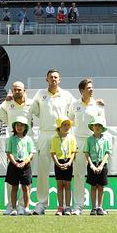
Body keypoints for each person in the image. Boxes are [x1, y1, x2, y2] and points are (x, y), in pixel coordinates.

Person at [28, 69, 73, 215]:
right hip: (45, 134)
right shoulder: (40, 94)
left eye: (56, 77)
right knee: (43, 171)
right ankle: (42, 204)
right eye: (51, 77)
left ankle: (66, 206)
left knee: (64, 172)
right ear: (46, 79)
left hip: (63, 137)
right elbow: (31, 110)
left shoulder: (67, 95)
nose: (53, 79)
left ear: (60, 79)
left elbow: (74, 113)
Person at [69, 78, 105, 215]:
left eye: (92, 87)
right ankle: (78, 206)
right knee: (78, 174)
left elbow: (103, 125)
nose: (91, 89)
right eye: (88, 87)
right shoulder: (74, 105)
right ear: (81, 90)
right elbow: (69, 122)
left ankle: (97, 207)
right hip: (78, 142)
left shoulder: (98, 106)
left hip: (94, 143)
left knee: (96, 175)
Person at [0, 80, 32, 215]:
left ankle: (24, 206)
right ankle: (10, 206)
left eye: (19, 90)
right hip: (12, 141)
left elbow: (40, 112)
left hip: (26, 142)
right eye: (15, 89)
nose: (17, 92)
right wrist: (6, 102)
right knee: (13, 184)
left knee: (25, 184)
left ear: (24, 91)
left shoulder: (31, 103)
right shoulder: (8, 103)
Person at [4, 116, 34, 216]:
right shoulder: (11, 139)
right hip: (14, 165)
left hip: (25, 165)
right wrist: (15, 163)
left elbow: (31, 153)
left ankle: (26, 207)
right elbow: (9, 153)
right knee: (14, 187)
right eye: (17, 125)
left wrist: (25, 162)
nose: (19, 127)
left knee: (26, 188)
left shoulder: (28, 139)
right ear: (14, 127)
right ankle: (13, 208)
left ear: (25, 127)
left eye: (21, 125)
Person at [84, 117, 111, 216]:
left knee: (100, 186)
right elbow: (86, 153)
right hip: (92, 165)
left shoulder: (105, 139)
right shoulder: (89, 139)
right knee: (93, 186)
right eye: (95, 125)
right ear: (92, 127)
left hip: (102, 165)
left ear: (102, 127)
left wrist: (101, 165)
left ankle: (100, 207)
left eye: (99, 125)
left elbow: (107, 153)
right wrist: (91, 165)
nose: (97, 127)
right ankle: (93, 208)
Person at [50, 117, 76, 216]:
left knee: (68, 185)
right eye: (64, 125)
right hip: (59, 163)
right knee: (60, 185)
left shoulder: (72, 138)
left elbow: (73, 152)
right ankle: (60, 207)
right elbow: (53, 152)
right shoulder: (54, 138)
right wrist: (58, 163)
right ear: (59, 126)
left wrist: (69, 162)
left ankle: (68, 207)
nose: (66, 127)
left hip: (68, 161)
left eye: (68, 125)